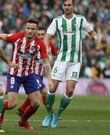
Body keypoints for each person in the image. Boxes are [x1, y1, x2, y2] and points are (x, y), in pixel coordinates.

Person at [42, 0, 98, 128]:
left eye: (69, 5)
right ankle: (49, 114)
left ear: (73, 6)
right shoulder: (57, 21)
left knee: (70, 89)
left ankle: (58, 114)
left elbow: (92, 32)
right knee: (52, 88)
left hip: (75, 61)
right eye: (65, 5)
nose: (67, 7)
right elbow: (47, 36)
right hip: (61, 59)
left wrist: (95, 37)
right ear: (63, 6)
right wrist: (47, 47)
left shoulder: (80, 20)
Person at [0, 18, 53, 130]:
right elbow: (2, 36)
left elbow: (46, 63)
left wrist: (50, 80)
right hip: (14, 74)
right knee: (12, 104)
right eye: (28, 28)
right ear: (25, 28)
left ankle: (23, 121)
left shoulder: (40, 44)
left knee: (36, 103)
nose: (30, 30)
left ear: (36, 30)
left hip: (29, 75)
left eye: (33, 29)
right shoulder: (17, 37)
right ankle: (2, 109)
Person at [16, 26, 58, 116]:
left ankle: (22, 109)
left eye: (43, 34)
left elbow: (56, 53)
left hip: (41, 73)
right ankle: (50, 112)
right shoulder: (32, 44)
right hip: (32, 73)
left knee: (35, 92)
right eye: (39, 34)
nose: (41, 36)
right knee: (44, 92)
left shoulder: (49, 45)